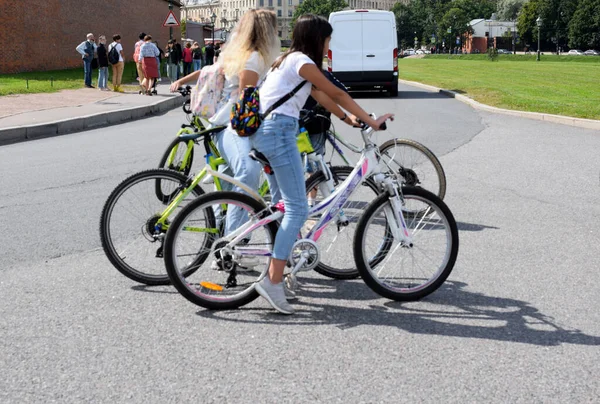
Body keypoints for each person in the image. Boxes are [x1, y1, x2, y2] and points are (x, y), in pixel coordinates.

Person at [250, 14, 393, 314]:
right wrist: (371, 120)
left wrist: (349, 119)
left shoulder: (289, 61)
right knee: (298, 208)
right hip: (278, 132)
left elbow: (321, 97)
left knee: (282, 205)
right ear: (318, 38)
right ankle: (273, 281)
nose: (329, 45)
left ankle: (284, 264)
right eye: (327, 39)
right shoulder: (302, 61)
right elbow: (336, 92)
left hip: (267, 132)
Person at [169, 9, 280, 248]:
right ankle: (232, 243)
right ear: (266, 32)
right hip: (233, 127)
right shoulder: (253, 58)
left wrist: (182, 80)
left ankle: (230, 236)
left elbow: (209, 72)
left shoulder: (239, 54)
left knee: (231, 186)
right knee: (248, 172)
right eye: (274, 28)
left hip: (224, 124)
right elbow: (245, 100)